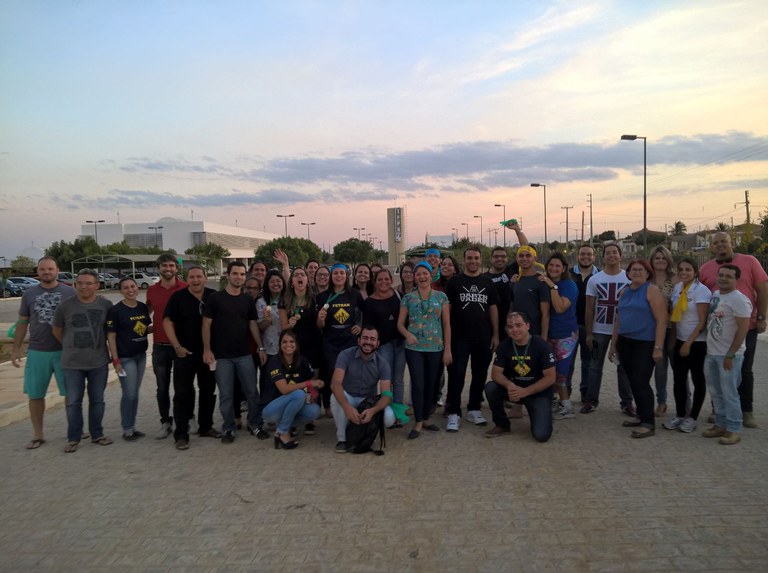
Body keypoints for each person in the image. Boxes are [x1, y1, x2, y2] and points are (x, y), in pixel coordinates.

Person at [700, 232, 767, 428]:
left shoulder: (750, 261)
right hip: (717, 329)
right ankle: (719, 411)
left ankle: (746, 411)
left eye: (724, 241)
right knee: (717, 370)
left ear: (732, 244)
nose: (720, 245)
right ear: (712, 247)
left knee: (744, 369)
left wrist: (761, 317)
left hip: (747, 326)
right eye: (716, 242)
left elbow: (763, 289)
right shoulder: (705, 268)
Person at [11, 256, 76, 449]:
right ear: (37, 272)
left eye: (50, 269)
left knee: (71, 394)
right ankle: (38, 434)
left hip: (64, 351)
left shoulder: (70, 292)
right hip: (37, 351)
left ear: (57, 270)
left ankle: (75, 430)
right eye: (42, 269)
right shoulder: (29, 294)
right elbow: (22, 322)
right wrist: (16, 348)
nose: (46, 272)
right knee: (35, 394)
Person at [202, 261, 268, 443]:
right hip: (222, 356)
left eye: (242, 274)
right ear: (228, 275)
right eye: (235, 273)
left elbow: (252, 324)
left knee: (251, 392)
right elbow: (206, 325)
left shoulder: (247, 300)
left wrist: (260, 347)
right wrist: (207, 349)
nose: (239, 277)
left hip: (244, 354)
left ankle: (255, 424)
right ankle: (229, 428)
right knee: (226, 395)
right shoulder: (215, 298)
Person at [52, 269, 114, 453]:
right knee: (73, 402)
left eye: (89, 283)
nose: (84, 287)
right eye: (80, 283)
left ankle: (97, 434)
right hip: (72, 364)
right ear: (75, 284)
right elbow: (57, 330)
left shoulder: (106, 305)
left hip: (98, 362)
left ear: (97, 285)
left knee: (98, 401)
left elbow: (112, 330)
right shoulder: (65, 306)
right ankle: (74, 438)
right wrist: (68, 345)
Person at [164, 265, 221, 450]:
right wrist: (177, 346)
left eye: (199, 276)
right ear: (186, 279)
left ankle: (206, 427)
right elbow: (167, 321)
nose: (195, 280)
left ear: (205, 278)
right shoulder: (178, 297)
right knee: (183, 394)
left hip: (208, 354)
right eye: (191, 277)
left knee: (208, 391)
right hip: (185, 354)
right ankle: (181, 434)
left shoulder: (213, 296)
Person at [609, 259, 667, 438]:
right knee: (632, 381)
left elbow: (662, 320)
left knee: (641, 382)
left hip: (645, 343)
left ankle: (648, 423)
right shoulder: (624, 291)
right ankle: (641, 414)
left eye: (641, 269)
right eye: (634, 269)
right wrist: (613, 343)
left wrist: (658, 347)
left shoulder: (652, 290)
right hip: (625, 342)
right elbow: (619, 318)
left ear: (648, 273)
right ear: (628, 273)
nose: (637, 272)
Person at [444, 246, 499, 432]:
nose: (473, 261)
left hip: (483, 337)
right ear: (464, 260)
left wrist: (495, 334)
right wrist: (447, 338)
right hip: (459, 337)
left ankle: (474, 408)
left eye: (476, 258)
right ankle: (454, 412)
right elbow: (447, 311)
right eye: (469, 258)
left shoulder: (488, 282)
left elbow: (493, 308)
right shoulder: (454, 282)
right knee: (456, 374)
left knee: (480, 374)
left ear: (481, 260)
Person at [398, 261, 451, 439]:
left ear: (431, 275)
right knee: (418, 384)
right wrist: (407, 334)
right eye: (418, 274)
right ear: (414, 277)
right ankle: (419, 421)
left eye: (425, 273)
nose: (422, 277)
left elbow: (446, 324)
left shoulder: (441, 297)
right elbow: (400, 324)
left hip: (436, 348)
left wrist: (447, 349)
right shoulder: (408, 298)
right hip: (414, 348)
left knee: (432, 384)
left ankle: (426, 417)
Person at [485, 312, 556, 442]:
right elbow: (495, 373)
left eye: (518, 325)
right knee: (491, 388)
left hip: (537, 393)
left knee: (541, 435)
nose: (514, 330)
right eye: (510, 327)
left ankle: (543, 414)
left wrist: (525, 391)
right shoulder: (504, 346)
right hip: (514, 391)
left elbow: (550, 377)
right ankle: (502, 425)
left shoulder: (542, 346)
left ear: (527, 326)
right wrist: (510, 386)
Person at [702, 264, 752, 445]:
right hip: (712, 353)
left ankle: (734, 428)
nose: (723, 279)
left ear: (737, 279)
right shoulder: (716, 294)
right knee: (716, 392)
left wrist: (731, 354)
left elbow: (743, 329)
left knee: (730, 393)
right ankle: (721, 424)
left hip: (729, 356)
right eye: (721, 275)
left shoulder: (739, 300)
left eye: (728, 276)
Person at [583, 243, 634, 415]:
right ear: (603, 257)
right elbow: (589, 308)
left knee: (624, 367)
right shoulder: (594, 279)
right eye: (608, 253)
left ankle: (627, 402)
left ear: (620, 256)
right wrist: (589, 333)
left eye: (615, 252)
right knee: (594, 365)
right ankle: (591, 400)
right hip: (599, 330)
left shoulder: (628, 278)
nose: (612, 255)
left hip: (623, 331)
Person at [330, 326, 396, 453]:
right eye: (365, 338)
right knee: (335, 397)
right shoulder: (345, 355)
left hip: (367, 400)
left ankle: (368, 429)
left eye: (372, 339)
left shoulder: (383, 363)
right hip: (348, 396)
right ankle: (342, 439)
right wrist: (347, 408)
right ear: (359, 340)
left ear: (378, 343)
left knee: (389, 418)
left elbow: (387, 395)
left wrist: (373, 410)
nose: (368, 342)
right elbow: (335, 384)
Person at [664, 258, 711, 434]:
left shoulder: (701, 291)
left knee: (698, 379)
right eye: (681, 269)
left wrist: (688, 344)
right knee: (679, 380)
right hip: (680, 339)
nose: (684, 272)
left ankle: (693, 417)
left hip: (697, 342)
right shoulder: (678, 288)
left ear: (695, 272)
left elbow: (702, 321)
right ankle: (680, 414)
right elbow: (676, 318)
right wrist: (674, 340)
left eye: (688, 269)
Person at [146, 253, 187, 439]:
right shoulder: (152, 291)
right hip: (160, 347)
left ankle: (187, 417)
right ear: (158, 268)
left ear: (176, 268)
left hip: (180, 345)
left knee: (182, 387)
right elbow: (146, 313)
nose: (168, 269)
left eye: (171, 265)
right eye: (164, 266)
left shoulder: (185, 288)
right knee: (162, 388)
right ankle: (165, 421)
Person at [261, 330, 324, 450]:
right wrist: (307, 384)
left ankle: (283, 426)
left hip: (290, 405)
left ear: (297, 344)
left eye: (291, 341)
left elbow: (311, 383)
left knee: (314, 411)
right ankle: (282, 432)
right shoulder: (274, 362)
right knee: (299, 394)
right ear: (280, 345)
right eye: (284, 342)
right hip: (271, 409)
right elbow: (284, 389)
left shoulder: (302, 360)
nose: (288, 345)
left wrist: (312, 394)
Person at [106, 277, 152, 441]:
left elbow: (144, 328)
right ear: (120, 291)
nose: (130, 290)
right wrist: (116, 360)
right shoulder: (116, 311)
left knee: (135, 393)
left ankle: (132, 426)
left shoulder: (142, 307)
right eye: (125, 288)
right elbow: (111, 337)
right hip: (125, 358)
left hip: (141, 356)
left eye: (132, 286)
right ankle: (127, 429)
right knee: (129, 393)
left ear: (137, 287)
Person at [317, 263, 364, 416]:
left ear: (346, 276)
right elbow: (319, 325)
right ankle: (332, 406)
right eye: (336, 273)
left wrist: (360, 326)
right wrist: (320, 320)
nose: (339, 276)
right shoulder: (323, 296)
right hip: (330, 343)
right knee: (331, 374)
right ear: (331, 276)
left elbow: (365, 313)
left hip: (349, 342)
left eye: (342, 273)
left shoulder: (354, 294)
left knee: (349, 375)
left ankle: (349, 407)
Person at [538, 253, 578, 420]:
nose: (554, 268)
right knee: (549, 371)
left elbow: (560, 307)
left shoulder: (569, 285)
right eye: (551, 265)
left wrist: (552, 287)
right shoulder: (544, 283)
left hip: (565, 335)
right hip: (548, 334)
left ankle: (567, 406)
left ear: (563, 268)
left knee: (560, 373)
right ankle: (555, 401)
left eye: (557, 266)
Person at [363, 268, 406, 410]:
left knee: (398, 379)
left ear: (391, 280)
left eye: (386, 279)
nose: (383, 282)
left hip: (400, 342)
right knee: (387, 379)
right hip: (383, 345)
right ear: (375, 282)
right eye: (380, 279)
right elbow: (368, 326)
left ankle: (398, 410)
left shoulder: (398, 296)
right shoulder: (369, 302)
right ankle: (386, 409)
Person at [566, 245, 600, 402]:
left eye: (589, 254)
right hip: (570, 326)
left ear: (594, 257)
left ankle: (585, 394)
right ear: (577, 256)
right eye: (582, 254)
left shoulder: (600, 275)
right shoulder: (568, 274)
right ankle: (565, 393)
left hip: (592, 327)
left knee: (589, 363)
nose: (585, 257)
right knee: (568, 362)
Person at [649, 245, 679, 416]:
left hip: (674, 330)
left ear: (668, 260)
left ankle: (685, 403)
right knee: (660, 369)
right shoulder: (648, 280)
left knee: (679, 369)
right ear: (652, 260)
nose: (660, 261)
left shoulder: (676, 279)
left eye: (663, 258)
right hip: (654, 330)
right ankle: (661, 402)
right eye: (657, 258)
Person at [509, 246, 550, 338]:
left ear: (535, 258)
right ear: (517, 259)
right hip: (517, 335)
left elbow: (546, 314)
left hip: (535, 334)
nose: (524, 259)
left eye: (528, 255)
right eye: (521, 256)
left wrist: (543, 339)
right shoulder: (515, 281)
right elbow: (511, 308)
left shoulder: (541, 281)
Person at [485, 247, 512, 339]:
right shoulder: (484, 278)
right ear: (491, 259)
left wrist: (518, 233)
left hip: (510, 325)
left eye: (503, 256)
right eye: (496, 256)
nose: (500, 259)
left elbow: (526, 248)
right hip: (489, 326)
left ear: (507, 259)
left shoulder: (511, 271)